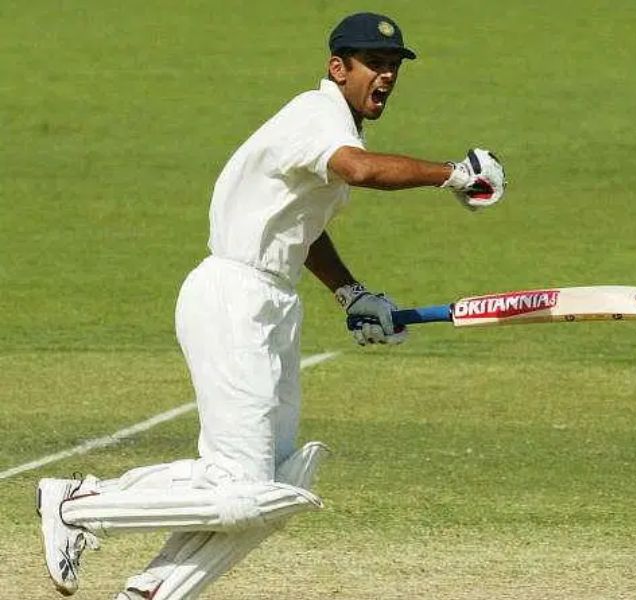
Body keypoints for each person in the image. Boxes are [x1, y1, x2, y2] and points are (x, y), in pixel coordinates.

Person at [36, 12, 506, 599]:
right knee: (241, 490)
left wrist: (352, 294)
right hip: (234, 296)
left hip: (274, 303)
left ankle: (153, 592)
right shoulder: (316, 118)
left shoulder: (337, 131)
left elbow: (302, 229)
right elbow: (361, 171)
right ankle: (82, 501)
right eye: (373, 64)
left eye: (392, 67)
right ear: (339, 68)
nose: (384, 76)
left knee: (276, 487)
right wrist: (453, 175)